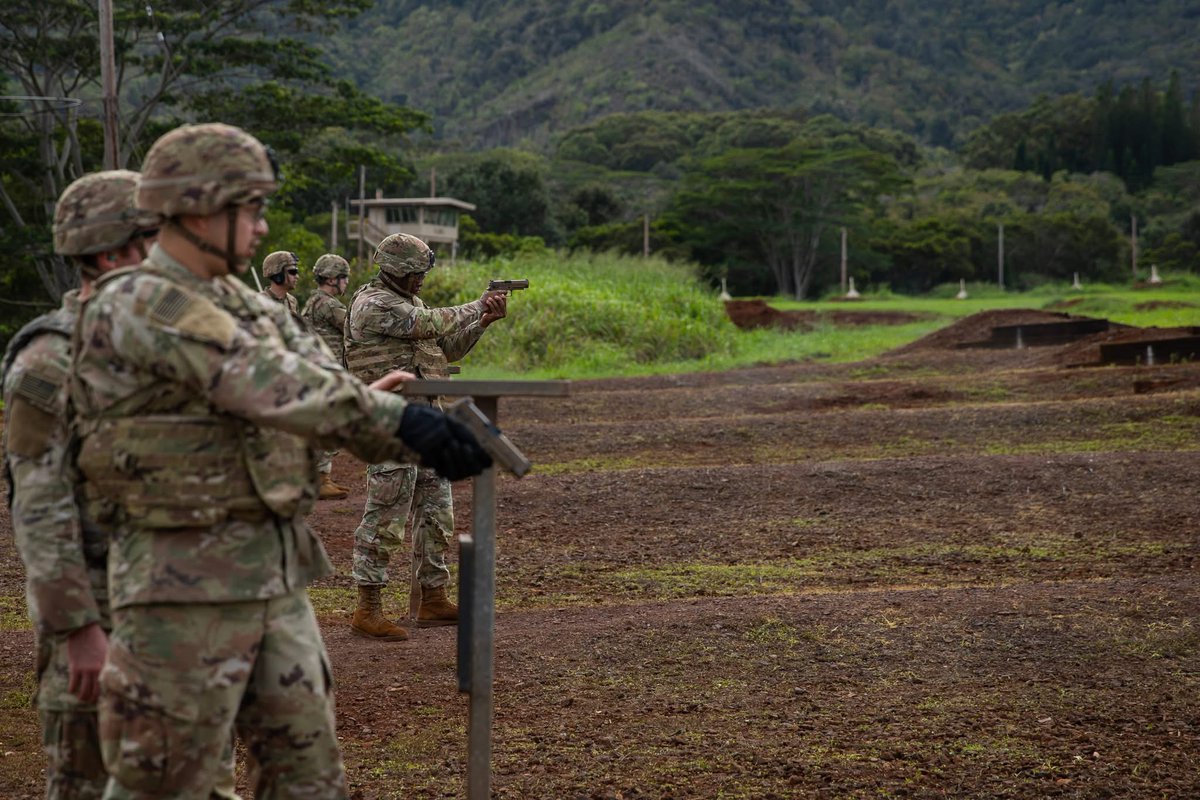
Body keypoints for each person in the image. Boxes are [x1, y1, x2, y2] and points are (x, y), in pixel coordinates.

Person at [69, 122, 491, 798]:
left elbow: (320, 381)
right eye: (252, 208)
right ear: (201, 205)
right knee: (172, 782)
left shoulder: (240, 300)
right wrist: (398, 423)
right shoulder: (144, 302)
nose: (263, 229)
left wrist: (383, 417)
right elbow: (269, 383)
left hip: (273, 575)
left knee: (306, 777)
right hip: (181, 586)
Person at [1, 170, 159, 799]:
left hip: (170, 606)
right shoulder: (50, 359)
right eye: (155, 236)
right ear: (111, 252)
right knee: (88, 779)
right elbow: (38, 506)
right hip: (100, 606)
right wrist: (77, 630)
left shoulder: (162, 341)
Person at [344, 233, 508, 640]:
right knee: (385, 516)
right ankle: (368, 607)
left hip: (425, 420)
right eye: (416, 272)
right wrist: (476, 304)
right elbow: (428, 324)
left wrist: (482, 321)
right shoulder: (372, 304)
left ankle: (433, 597)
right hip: (389, 422)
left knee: (436, 515)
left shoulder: (410, 303)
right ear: (397, 270)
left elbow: (443, 350)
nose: (421, 279)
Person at [301, 254, 353, 501]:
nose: (346, 283)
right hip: (327, 372)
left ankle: (317, 477)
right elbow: (354, 327)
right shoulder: (328, 304)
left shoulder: (312, 301)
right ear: (332, 279)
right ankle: (321, 479)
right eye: (344, 278)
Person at [259, 249, 301, 319]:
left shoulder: (292, 301)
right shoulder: (260, 301)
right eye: (292, 272)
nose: (297, 277)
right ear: (278, 274)